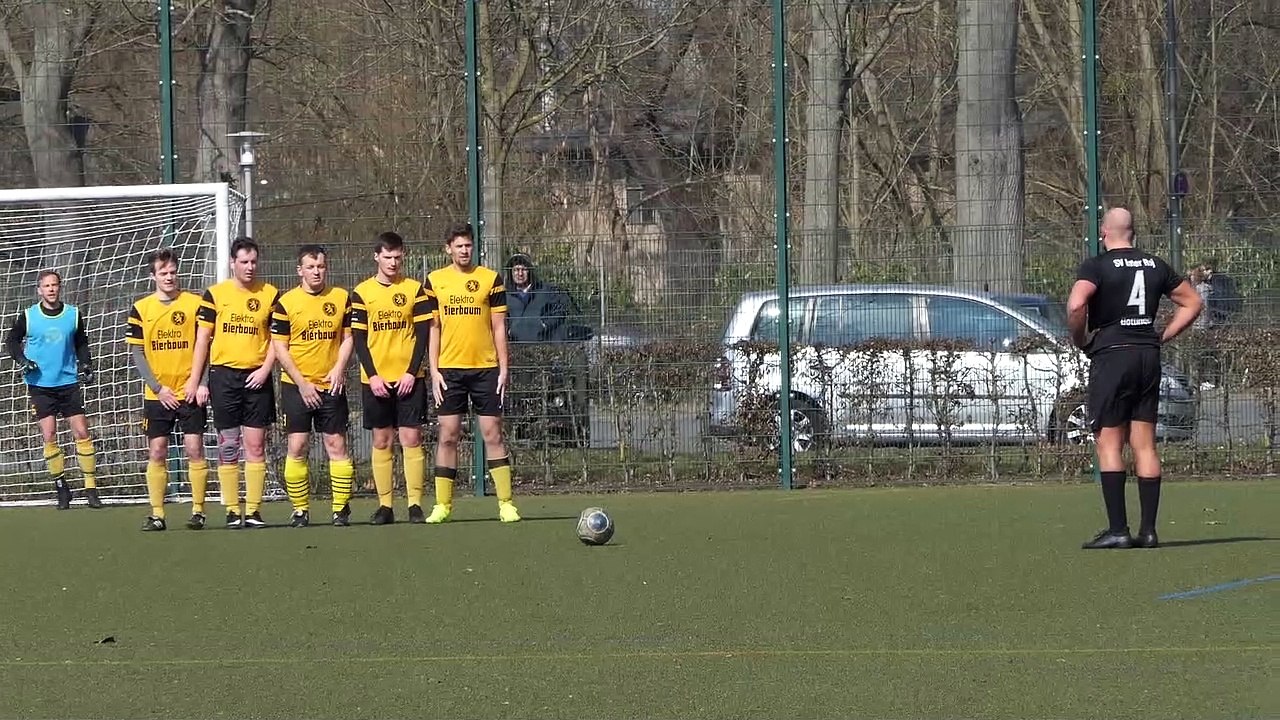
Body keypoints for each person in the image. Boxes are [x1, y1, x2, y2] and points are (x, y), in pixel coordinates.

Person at [1066, 208, 1202, 550]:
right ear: (1133, 233)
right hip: (1147, 356)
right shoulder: (1155, 265)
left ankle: (1118, 530)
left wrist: (1080, 338)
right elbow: (1193, 302)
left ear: (1104, 233)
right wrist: (1162, 335)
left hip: (1113, 357)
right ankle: (1150, 531)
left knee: (1109, 443)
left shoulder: (1095, 266)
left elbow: (1076, 304)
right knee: (1144, 444)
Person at [424, 222, 520, 524]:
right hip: (449, 371)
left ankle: (505, 503)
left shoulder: (490, 279)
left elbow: (499, 327)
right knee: (448, 435)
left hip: (486, 370)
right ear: (448, 248)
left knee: (493, 433)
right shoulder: (434, 281)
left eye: (468, 245)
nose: (464, 250)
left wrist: (504, 368)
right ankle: (443, 505)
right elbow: (433, 329)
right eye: (459, 246)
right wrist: (434, 370)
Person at [187, 237, 279, 529]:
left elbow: (278, 340)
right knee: (228, 445)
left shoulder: (271, 294)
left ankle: (252, 510)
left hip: (257, 376)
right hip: (224, 377)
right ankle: (230, 509)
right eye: (244, 262)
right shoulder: (215, 295)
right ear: (232, 263)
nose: (250, 267)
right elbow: (202, 339)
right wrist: (195, 379)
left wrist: (265, 369)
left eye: (253, 262)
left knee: (255, 445)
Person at [270, 244, 356, 527]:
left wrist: (338, 369)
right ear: (300, 271)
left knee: (336, 443)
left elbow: (348, 338)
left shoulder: (341, 298)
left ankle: (340, 509)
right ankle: (300, 510)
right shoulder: (286, 302)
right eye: (310, 267)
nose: (316, 271)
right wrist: (302, 383)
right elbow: (280, 348)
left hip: (330, 383)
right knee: (297, 445)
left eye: (320, 266)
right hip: (297, 385)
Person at [349, 231, 431, 525]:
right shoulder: (361, 292)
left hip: (410, 377)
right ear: (377, 257)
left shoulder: (415, 289)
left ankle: (415, 505)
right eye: (388, 257)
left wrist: (412, 371)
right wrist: (372, 376)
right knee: (382, 440)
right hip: (375, 380)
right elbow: (358, 339)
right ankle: (385, 506)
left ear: (403, 256)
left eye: (397, 257)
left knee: (411, 438)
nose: (393, 262)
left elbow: (422, 334)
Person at [126, 249, 211, 531]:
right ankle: (158, 514)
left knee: (194, 448)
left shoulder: (194, 303)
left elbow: (206, 345)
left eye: (173, 272)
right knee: (158, 451)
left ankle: (198, 510)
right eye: (163, 273)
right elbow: (138, 353)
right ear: (153, 276)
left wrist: (201, 382)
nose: (169, 277)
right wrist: (157, 387)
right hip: (158, 395)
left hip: (189, 391)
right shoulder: (141, 308)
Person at [4, 270, 102, 510]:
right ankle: (61, 488)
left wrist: (86, 363)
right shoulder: (29, 316)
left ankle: (91, 488)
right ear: (39, 290)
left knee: (81, 432)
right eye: (46, 286)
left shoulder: (73, 314)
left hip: (67, 382)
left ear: (60, 288)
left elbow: (81, 342)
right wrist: (23, 361)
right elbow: (11, 341)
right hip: (40, 385)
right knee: (49, 435)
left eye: (54, 285)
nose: (51, 289)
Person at [503, 253, 571, 343]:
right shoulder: (505, 295)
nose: (520, 273)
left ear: (530, 271)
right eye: (516, 270)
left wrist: (544, 325)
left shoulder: (546, 290)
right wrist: (510, 331)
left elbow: (560, 311)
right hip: (515, 346)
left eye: (524, 269)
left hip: (544, 346)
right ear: (511, 272)